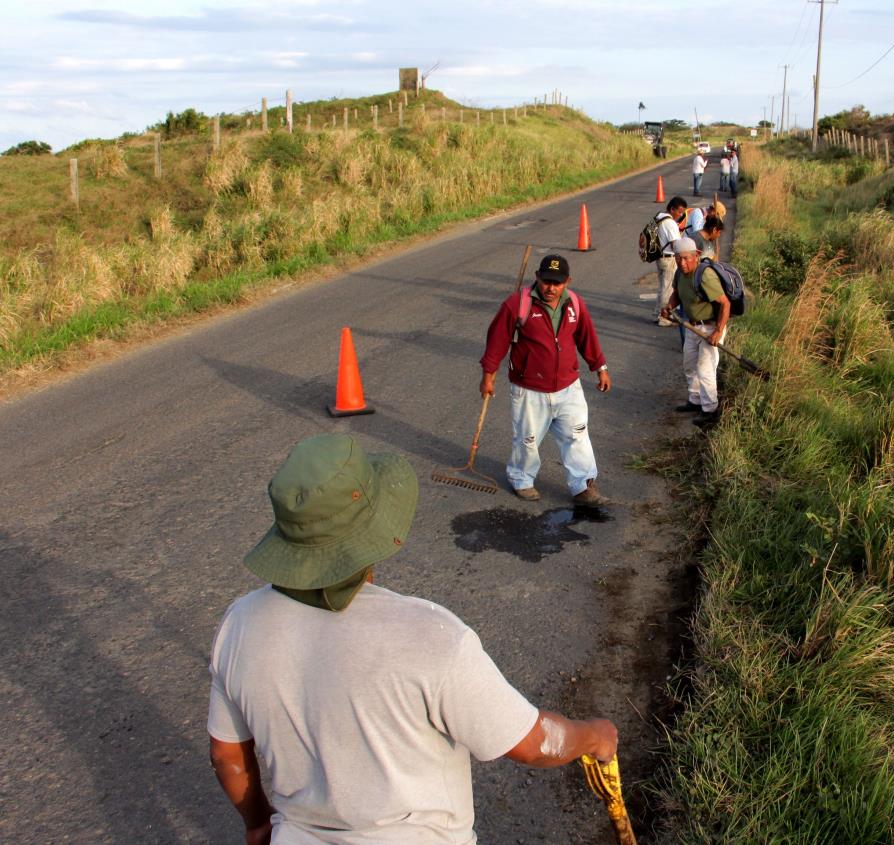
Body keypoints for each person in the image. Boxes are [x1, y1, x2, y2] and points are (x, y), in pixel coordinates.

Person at [208, 433, 619, 845]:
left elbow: (228, 757)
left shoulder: (240, 623)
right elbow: (533, 743)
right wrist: (594, 735)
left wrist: (259, 824)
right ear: (376, 527)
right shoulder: (430, 636)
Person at [480, 254, 611, 504]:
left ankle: (583, 485)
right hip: (529, 388)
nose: (551, 288)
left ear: (568, 282)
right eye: (547, 281)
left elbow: (587, 338)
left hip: (568, 386)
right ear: (537, 277)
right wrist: (488, 376)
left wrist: (600, 367)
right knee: (527, 439)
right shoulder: (517, 304)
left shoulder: (575, 303)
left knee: (577, 435)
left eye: (558, 283)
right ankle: (521, 479)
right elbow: (496, 342)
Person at [660, 237, 731, 429]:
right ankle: (695, 400)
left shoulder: (705, 276)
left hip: (709, 328)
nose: (682, 263)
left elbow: (725, 303)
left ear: (696, 256)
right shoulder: (680, 274)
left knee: (705, 369)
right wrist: (669, 306)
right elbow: (677, 294)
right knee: (689, 363)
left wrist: (718, 331)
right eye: (679, 258)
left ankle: (710, 411)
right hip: (691, 326)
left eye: (686, 258)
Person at [651, 196, 687, 327]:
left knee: (662, 287)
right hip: (669, 258)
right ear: (672, 209)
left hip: (659, 256)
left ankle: (657, 313)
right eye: (679, 211)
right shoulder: (670, 223)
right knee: (668, 289)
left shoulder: (659, 216)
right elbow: (675, 245)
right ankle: (663, 317)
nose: (681, 215)